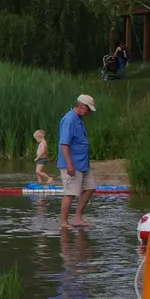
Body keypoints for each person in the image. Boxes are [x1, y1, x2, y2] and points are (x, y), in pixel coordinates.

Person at [59, 94, 97, 229]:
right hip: (72, 164)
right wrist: (69, 164)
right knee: (70, 193)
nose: (89, 113)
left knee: (90, 188)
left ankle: (77, 217)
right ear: (81, 106)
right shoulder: (69, 120)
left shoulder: (78, 119)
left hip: (83, 164)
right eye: (88, 109)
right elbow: (64, 144)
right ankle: (64, 223)